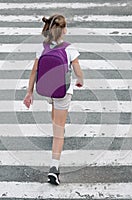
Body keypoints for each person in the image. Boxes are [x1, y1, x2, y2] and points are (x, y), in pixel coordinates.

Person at [23, 14, 84, 185]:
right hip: (63, 91)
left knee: (54, 111)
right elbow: (79, 73)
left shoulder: (42, 48)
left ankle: (55, 126)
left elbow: (34, 71)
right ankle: (53, 169)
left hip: (47, 90)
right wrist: (80, 81)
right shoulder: (69, 49)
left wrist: (29, 92)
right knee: (59, 133)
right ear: (63, 30)